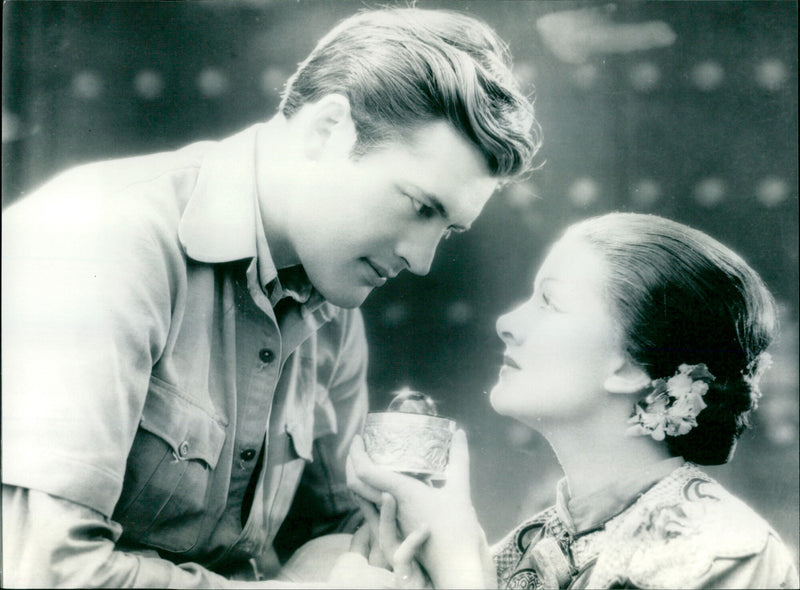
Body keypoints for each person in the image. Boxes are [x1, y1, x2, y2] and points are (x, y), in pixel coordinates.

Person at [1, 7, 540, 588]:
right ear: (326, 130)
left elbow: (337, 537)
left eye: (448, 229)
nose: (422, 259)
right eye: (419, 206)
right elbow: (44, 571)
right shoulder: (99, 236)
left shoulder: (333, 294)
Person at [347, 212, 800, 589]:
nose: (506, 321)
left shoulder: (721, 553)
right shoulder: (522, 549)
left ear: (629, 367)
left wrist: (461, 567)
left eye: (550, 302)